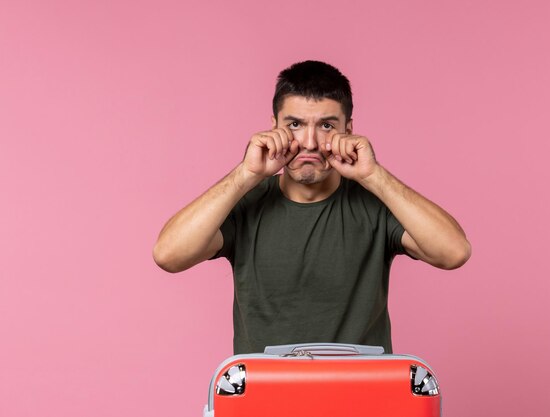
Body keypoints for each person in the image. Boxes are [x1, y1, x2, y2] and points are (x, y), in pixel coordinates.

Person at [153, 60, 471, 354]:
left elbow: (453, 252)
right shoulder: (246, 202)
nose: (308, 142)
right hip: (265, 400)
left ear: (348, 129)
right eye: (294, 124)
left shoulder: (376, 203)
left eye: (326, 126)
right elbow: (169, 255)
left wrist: (374, 176)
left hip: (361, 398)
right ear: (273, 125)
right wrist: (245, 175)